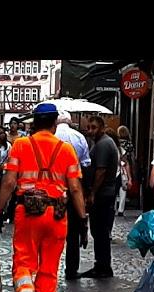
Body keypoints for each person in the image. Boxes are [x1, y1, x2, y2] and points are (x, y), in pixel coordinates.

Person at [0, 103, 87, 292]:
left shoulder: (21, 146)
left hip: (28, 212)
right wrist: (83, 220)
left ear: (34, 122)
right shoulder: (66, 150)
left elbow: (10, 183)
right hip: (57, 215)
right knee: (48, 271)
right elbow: (75, 188)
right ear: (54, 124)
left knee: (23, 262)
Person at [80, 115, 119, 278]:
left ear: (102, 128)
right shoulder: (102, 143)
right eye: (88, 127)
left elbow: (101, 171)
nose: (90, 131)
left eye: (93, 127)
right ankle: (101, 264)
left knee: (100, 230)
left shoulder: (103, 144)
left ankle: (103, 266)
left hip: (103, 194)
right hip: (104, 193)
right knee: (99, 230)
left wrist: (93, 193)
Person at [54, 110, 91, 280]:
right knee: (73, 232)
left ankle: (48, 268)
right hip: (73, 187)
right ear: (70, 122)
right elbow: (86, 164)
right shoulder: (79, 137)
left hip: (52, 189)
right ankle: (71, 269)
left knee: (51, 232)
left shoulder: (51, 135)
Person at [114, 126, 133, 216]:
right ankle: (121, 209)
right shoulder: (129, 144)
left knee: (114, 189)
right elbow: (130, 157)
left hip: (118, 167)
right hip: (125, 166)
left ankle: (113, 207)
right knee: (123, 188)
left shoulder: (116, 144)